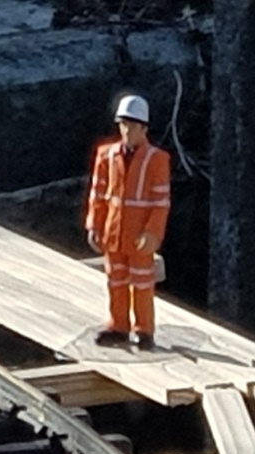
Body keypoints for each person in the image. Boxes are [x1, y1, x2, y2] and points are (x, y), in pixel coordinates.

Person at [84, 93, 171, 351]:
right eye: (123, 125)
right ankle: (118, 325)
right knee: (116, 280)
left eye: (132, 126)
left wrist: (152, 233)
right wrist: (94, 225)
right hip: (113, 232)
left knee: (142, 283)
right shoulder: (106, 155)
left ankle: (144, 329)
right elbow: (98, 194)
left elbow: (160, 202)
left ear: (144, 128)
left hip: (138, 235)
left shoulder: (157, 160)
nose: (127, 131)